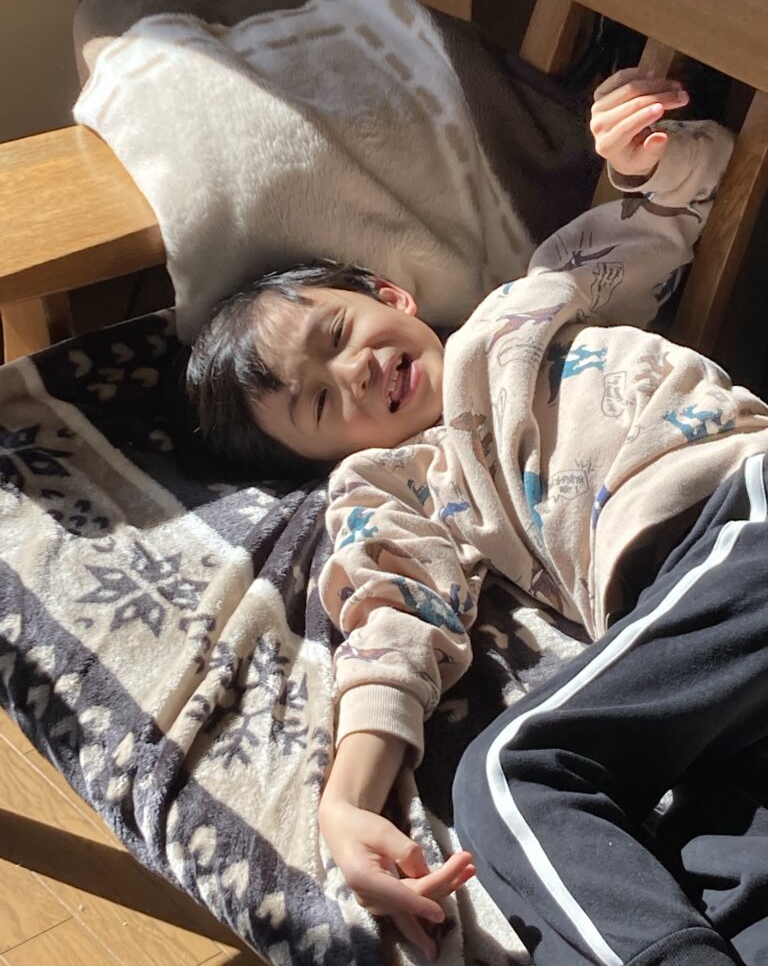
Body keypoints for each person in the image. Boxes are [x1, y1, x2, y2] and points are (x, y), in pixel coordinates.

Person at [185, 68, 768, 963]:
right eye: (320, 404)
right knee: (715, 882)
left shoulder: (525, 306)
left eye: (337, 336)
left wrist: (643, 161)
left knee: (510, 779)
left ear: (391, 295)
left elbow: (683, 207)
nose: (354, 374)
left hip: (739, 515)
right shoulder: (393, 482)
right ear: (325, 458)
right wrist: (347, 800)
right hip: (703, 662)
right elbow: (393, 616)